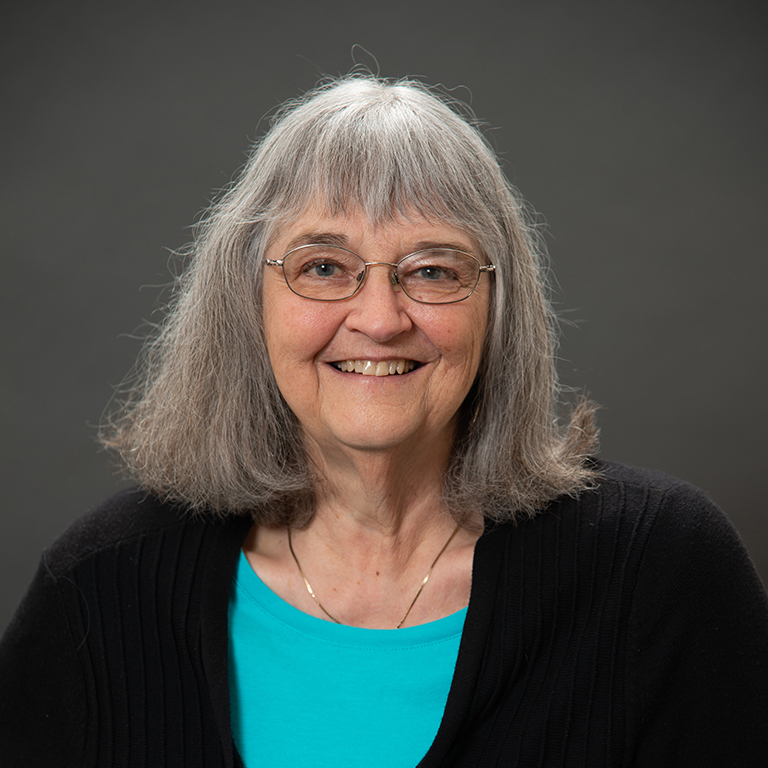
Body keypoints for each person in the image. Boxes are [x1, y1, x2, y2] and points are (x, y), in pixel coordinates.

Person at [1, 75, 767, 768]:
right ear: (249, 301)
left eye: (433, 270)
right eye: (322, 267)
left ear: (496, 307)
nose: (378, 318)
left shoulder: (659, 573)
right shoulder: (100, 592)